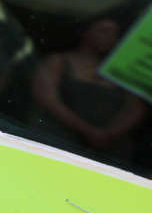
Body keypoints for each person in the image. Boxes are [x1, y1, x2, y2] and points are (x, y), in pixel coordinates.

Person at [29, 17, 145, 152]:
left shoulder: (122, 72)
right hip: (53, 142)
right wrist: (88, 131)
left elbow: (135, 108)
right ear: (85, 32)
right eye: (104, 31)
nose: (110, 37)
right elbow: (47, 98)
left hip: (105, 152)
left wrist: (109, 134)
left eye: (115, 34)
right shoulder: (59, 61)